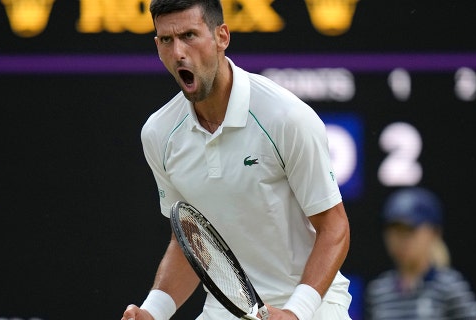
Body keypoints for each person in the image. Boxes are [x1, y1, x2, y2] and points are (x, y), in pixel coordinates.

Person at [120, 0, 353, 319]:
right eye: (166, 40)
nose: (178, 53)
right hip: (226, 307)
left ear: (222, 37)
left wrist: (294, 312)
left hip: (313, 304)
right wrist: (153, 312)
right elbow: (191, 239)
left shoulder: (287, 118)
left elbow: (334, 227)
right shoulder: (159, 134)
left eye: (189, 35)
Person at [364, 187, 476, 320]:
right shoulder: (378, 291)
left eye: (409, 230)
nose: (400, 240)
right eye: (394, 231)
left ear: (434, 233)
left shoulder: (449, 287)